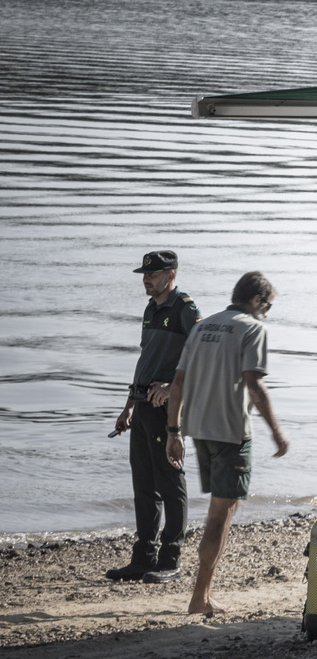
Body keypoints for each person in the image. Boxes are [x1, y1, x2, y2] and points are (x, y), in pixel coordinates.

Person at [166, 271, 288, 615]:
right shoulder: (253, 328)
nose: (267, 312)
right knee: (220, 515)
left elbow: (178, 383)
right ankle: (199, 597)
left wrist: (173, 432)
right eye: (268, 306)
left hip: (198, 429)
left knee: (225, 509)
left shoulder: (202, 327)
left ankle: (203, 593)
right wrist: (277, 432)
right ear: (256, 301)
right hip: (232, 433)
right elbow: (255, 385)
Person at [106, 250, 201, 584]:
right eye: (145, 274)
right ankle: (143, 558)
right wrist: (129, 404)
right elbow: (145, 358)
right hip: (143, 405)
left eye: (153, 274)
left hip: (166, 408)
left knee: (170, 482)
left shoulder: (184, 309)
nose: (146, 279)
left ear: (170, 275)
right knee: (144, 486)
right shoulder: (150, 308)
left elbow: (202, 355)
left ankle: (170, 560)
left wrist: (172, 385)